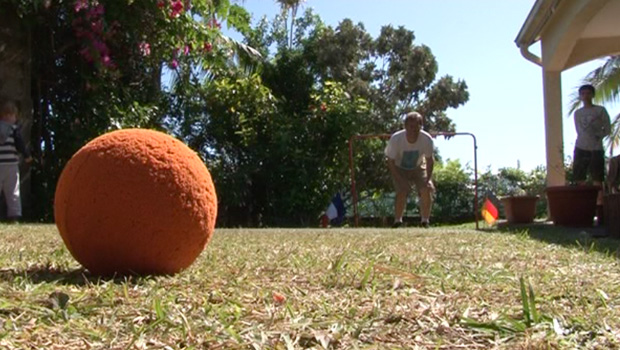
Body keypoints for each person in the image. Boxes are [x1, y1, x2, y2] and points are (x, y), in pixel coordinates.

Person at [385, 112, 434, 228]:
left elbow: (430, 160)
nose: (414, 130)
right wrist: (401, 180)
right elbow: (390, 162)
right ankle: (397, 221)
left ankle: (425, 221)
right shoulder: (396, 139)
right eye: (411, 126)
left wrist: (428, 180)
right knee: (401, 190)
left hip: (418, 167)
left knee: (426, 189)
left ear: (421, 126)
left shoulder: (427, 139)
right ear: (405, 126)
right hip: (399, 167)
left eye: (417, 126)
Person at [572, 84, 611, 224]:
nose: (585, 96)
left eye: (588, 93)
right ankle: (583, 209)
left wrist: (598, 135)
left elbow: (607, 128)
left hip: (596, 148)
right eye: (583, 94)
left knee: (597, 178)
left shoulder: (600, 110)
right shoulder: (578, 113)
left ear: (593, 95)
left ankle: (600, 210)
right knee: (579, 177)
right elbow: (578, 129)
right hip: (581, 146)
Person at [0, 100, 32, 222]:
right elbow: (20, 144)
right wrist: (27, 156)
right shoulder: (13, 129)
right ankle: (14, 216)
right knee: (13, 190)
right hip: (11, 165)